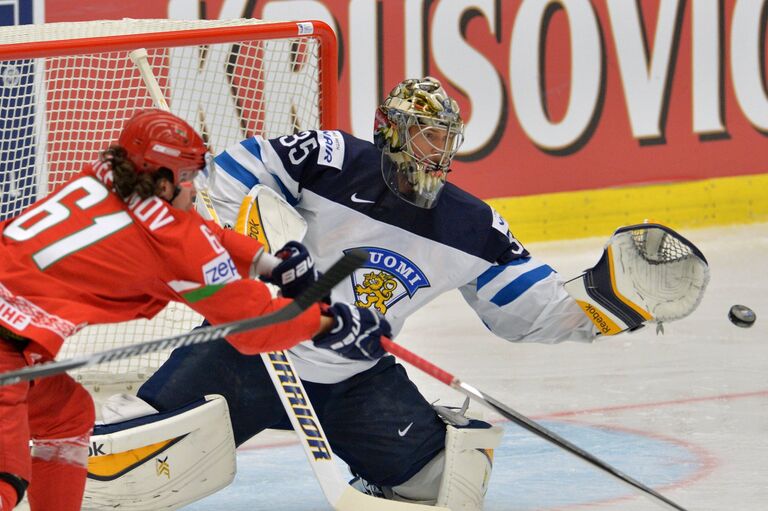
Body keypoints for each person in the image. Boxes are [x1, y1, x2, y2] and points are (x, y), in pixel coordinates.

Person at [0, 109, 390, 511]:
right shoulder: (176, 245)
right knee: (5, 481)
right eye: (188, 177)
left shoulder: (104, 177)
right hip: (5, 356)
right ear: (164, 180)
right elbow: (259, 328)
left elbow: (195, 233)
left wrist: (269, 264)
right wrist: (333, 324)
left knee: (66, 416)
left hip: (15, 347)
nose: (194, 187)